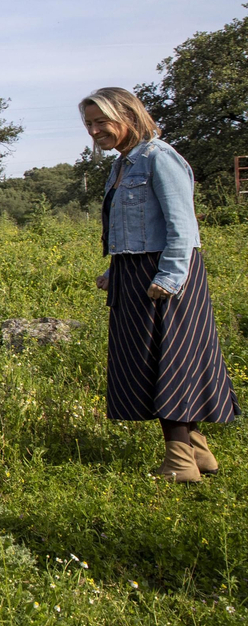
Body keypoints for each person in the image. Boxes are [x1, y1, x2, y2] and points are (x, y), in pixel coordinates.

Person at [84, 87, 237, 482]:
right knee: (151, 361)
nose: (94, 130)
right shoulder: (121, 166)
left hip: (165, 273)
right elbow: (130, 227)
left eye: (101, 121)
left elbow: (182, 227)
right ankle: (198, 454)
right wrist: (116, 271)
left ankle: (180, 464)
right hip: (135, 272)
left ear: (129, 116)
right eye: (89, 124)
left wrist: (168, 277)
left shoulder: (159, 158)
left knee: (171, 362)